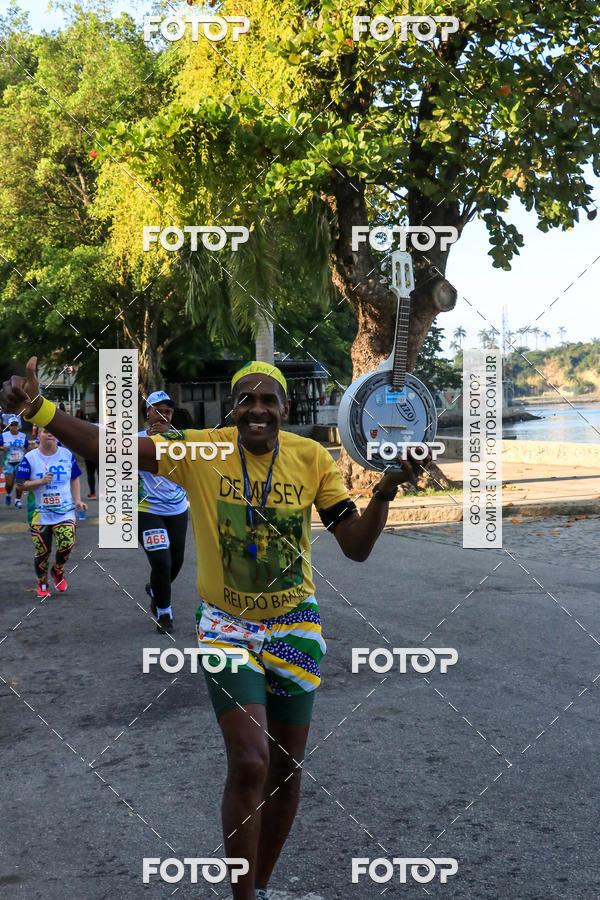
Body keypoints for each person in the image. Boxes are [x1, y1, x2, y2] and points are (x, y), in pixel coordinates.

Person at [0, 357, 429, 899]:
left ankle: (262, 889)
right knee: (251, 761)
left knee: (287, 772)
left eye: (268, 400)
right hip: (226, 626)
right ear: (232, 409)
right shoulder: (201, 450)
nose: (257, 409)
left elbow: (356, 546)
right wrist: (39, 407)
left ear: (285, 409)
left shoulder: (311, 458)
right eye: (246, 400)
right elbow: (110, 444)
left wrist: (385, 491)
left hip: (295, 627)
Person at [137, 391, 188, 634]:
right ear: (148, 412)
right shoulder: (135, 439)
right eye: (157, 409)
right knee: (161, 561)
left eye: (167, 411)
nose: (163, 415)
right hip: (146, 509)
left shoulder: (181, 438)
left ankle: (156, 588)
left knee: (176, 562)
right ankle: (164, 612)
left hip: (177, 507)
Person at [16, 426, 87, 598]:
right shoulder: (30, 458)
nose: (50, 434)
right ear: (38, 435)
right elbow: (20, 485)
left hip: (64, 511)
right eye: (45, 431)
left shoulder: (66, 455)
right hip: (39, 513)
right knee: (42, 551)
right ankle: (42, 582)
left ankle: (57, 570)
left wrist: (77, 500)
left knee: (67, 543)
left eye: (53, 431)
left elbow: (74, 477)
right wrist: (39, 481)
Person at [0, 416, 30, 508]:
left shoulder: (23, 436)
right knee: (9, 484)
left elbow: (27, 447)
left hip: (20, 461)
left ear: (18, 425)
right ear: (9, 426)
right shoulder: (4, 436)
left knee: (20, 482)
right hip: (8, 462)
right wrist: (2, 448)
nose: (14, 426)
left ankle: (18, 500)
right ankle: (8, 494)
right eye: (12, 425)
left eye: (15, 424)